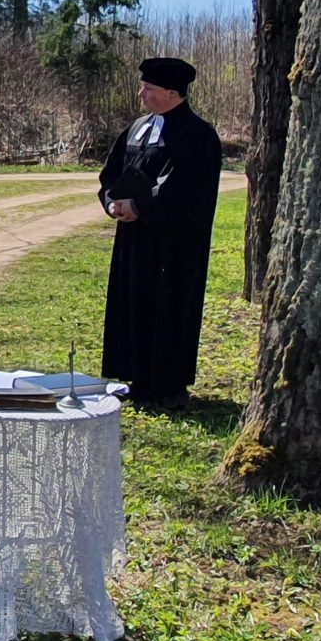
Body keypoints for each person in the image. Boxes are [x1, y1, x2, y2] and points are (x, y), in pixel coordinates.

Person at [98, 57, 222, 408]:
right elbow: (111, 174)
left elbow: (186, 190)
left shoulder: (198, 135)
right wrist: (113, 203)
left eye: (149, 88)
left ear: (172, 92)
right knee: (132, 304)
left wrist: (140, 207)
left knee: (167, 308)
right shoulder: (137, 128)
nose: (142, 94)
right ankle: (136, 378)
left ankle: (168, 388)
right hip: (133, 239)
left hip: (173, 243)